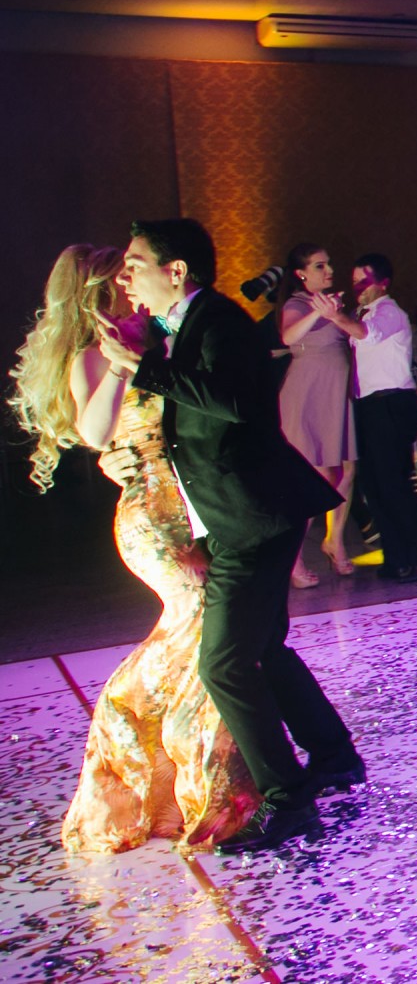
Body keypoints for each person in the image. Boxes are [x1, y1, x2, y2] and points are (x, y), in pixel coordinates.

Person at [93, 218, 358, 852]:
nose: (126, 275)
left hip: (254, 513)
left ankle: (286, 798)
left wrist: (147, 371)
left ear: (176, 271)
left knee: (224, 663)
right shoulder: (177, 327)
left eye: (136, 262)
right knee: (262, 647)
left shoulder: (221, 320)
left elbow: (238, 404)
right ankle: (334, 757)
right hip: (241, 513)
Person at [10, 245, 260, 852]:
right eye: (118, 277)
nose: (131, 281)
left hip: (193, 503)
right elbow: (96, 434)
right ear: (98, 294)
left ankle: (177, 763)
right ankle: (174, 760)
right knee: (203, 626)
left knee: (204, 633)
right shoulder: (93, 357)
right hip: (153, 518)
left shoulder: (158, 338)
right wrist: (122, 368)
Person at [343, 253, 417, 583]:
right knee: (374, 484)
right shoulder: (361, 313)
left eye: (364, 280)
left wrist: (335, 317)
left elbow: (367, 335)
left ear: (382, 283)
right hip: (368, 407)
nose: (357, 286)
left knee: (393, 484)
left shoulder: (390, 312)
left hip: (390, 405)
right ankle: (397, 558)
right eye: (354, 279)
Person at [273, 243, 359, 584]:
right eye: (320, 266)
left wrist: (336, 313)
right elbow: (288, 335)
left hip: (336, 394)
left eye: (329, 264)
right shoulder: (298, 304)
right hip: (307, 396)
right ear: (302, 273)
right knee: (315, 478)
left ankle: (334, 541)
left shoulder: (334, 303)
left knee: (347, 471)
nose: (329, 270)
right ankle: (292, 558)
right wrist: (318, 313)